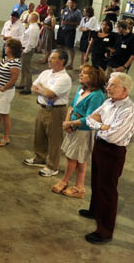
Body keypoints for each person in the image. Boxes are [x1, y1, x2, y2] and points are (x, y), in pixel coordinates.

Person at [80, 72, 134, 244]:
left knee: (107, 189)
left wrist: (100, 126)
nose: (108, 88)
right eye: (109, 84)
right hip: (100, 145)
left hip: (113, 152)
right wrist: (102, 126)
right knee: (96, 181)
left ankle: (104, 231)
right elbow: (90, 118)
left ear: (125, 90)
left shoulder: (129, 111)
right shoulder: (108, 102)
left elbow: (113, 136)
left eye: (113, 85)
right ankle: (95, 211)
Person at [56, 65, 107, 198]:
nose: (80, 75)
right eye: (81, 72)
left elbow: (90, 118)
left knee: (73, 158)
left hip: (83, 131)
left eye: (85, 73)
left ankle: (64, 181)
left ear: (93, 78)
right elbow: (72, 106)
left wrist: (70, 123)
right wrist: (66, 122)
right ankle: (80, 187)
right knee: (79, 159)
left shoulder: (97, 95)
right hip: (73, 127)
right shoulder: (81, 88)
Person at [23, 50, 73, 177]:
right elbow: (33, 87)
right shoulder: (46, 73)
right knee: (39, 135)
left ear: (61, 61)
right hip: (42, 107)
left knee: (54, 139)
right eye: (50, 57)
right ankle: (39, 158)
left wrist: (41, 88)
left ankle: (52, 166)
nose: (49, 60)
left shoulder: (64, 78)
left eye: (53, 58)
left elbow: (50, 94)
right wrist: (43, 90)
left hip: (56, 111)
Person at [18, 13, 41, 94]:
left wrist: (25, 51)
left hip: (27, 50)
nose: (27, 18)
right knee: (23, 68)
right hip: (26, 49)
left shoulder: (33, 28)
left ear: (32, 18)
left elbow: (31, 42)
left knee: (27, 69)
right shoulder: (32, 27)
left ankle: (28, 88)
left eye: (28, 17)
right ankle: (23, 83)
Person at [58, 0, 82, 69]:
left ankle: (71, 63)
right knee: (62, 46)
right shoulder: (65, 10)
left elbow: (79, 23)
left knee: (70, 47)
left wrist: (68, 23)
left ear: (75, 4)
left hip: (70, 31)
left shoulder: (77, 12)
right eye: (68, 2)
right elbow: (61, 19)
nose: (69, 4)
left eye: (71, 2)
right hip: (62, 29)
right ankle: (62, 61)